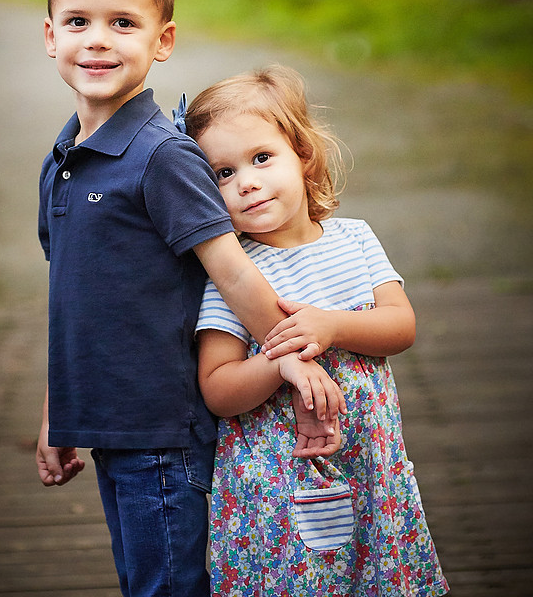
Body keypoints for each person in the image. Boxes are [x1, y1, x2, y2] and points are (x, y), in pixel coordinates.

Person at [34, 0, 343, 597]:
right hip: (109, 429)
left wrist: (288, 354)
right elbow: (71, 302)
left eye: (123, 23)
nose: (97, 40)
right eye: (78, 22)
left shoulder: (162, 157)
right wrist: (59, 412)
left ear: (163, 40)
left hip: (164, 436)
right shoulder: (62, 161)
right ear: (51, 36)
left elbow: (231, 270)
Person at [186, 64, 449, 597]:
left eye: (262, 158)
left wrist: (331, 325)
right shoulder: (233, 274)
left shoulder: (353, 239)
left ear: (303, 154)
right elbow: (217, 388)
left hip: (370, 464)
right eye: (223, 173)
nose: (247, 182)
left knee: (375, 575)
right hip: (279, 482)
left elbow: (401, 326)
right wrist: (278, 357)